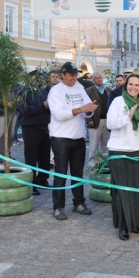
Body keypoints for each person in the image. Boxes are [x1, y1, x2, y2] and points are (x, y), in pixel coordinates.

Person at [107, 74, 139, 240]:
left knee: (136, 189)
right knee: (123, 191)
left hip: (135, 151)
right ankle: (123, 226)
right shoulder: (117, 102)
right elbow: (110, 124)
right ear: (126, 85)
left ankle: (134, 223)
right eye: (131, 84)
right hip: (118, 151)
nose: (134, 88)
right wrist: (127, 117)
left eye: (137, 85)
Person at [48, 61, 98, 221]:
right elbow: (58, 114)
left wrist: (90, 110)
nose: (74, 78)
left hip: (79, 137)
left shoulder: (80, 88)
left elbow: (86, 112)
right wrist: (80, 109)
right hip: (61, 138)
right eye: (71, 75)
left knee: (77, 173)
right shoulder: (55, 91)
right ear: (63, 75)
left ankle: (79, 203)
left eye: (76, 75)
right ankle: (58, 207)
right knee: (61, 174)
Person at [17, 73, 51, 195]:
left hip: (44, 127)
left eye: (39, 78)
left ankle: (42, 179)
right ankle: (32, 183)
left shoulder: (44, 92)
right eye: (34, 77)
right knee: (31, 157)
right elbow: (24, 109)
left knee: (45, 155)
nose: (37, 80)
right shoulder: (23, 92)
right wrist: (42, 106)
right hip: (30, 128)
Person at [85, 72, 111, 167]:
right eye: (96, 78)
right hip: (95, 121)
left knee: (106, 144)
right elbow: (85, 106)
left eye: (100, 77)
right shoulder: (89, 91)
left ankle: (105, 164)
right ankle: (93, 165)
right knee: (94, 145)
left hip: (107, 121)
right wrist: (89, 120)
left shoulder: (108, 90)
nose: (99, 79)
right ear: (93, 80)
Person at [0, 83, 20, 164]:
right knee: (0, 134)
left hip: (13, 112)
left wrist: (16, 103)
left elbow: (20, 96)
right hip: (2, 113)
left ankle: (7, 152)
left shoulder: (16, 85)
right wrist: (5, 104)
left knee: (11, 135)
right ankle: (0, 154)